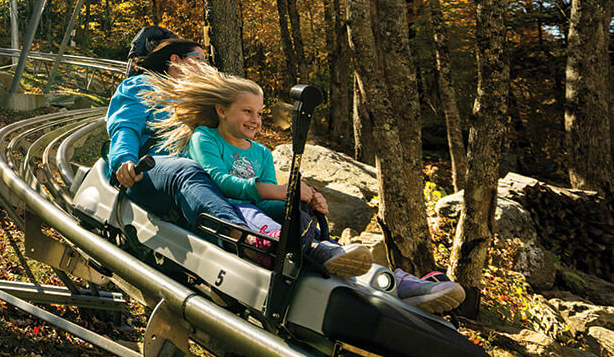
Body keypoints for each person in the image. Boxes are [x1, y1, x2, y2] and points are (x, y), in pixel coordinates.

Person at [143, 62, 467, 314]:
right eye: (247, 111)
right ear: (221, 110)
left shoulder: (261, 153)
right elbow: (216, 181)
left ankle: (397, 284)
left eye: (259, 113)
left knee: (296, 215)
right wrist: (277, 192)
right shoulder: (205, 137)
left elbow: (272, 196)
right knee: (261, 215)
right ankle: (307, 250)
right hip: (227, 211)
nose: (256, 120)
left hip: (262, 214)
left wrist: (306, 199)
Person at [106, 38, 369, 277]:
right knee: (185, 169)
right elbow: (125, 127)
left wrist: (298, 197)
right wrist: (123, 160)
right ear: (175, 61)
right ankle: (243, 240)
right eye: (199, 59)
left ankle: (321, 249)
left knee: (290, 205)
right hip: (146, 174)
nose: (207, 66)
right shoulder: (142, 85)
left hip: (203, 189)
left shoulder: (202, 103)